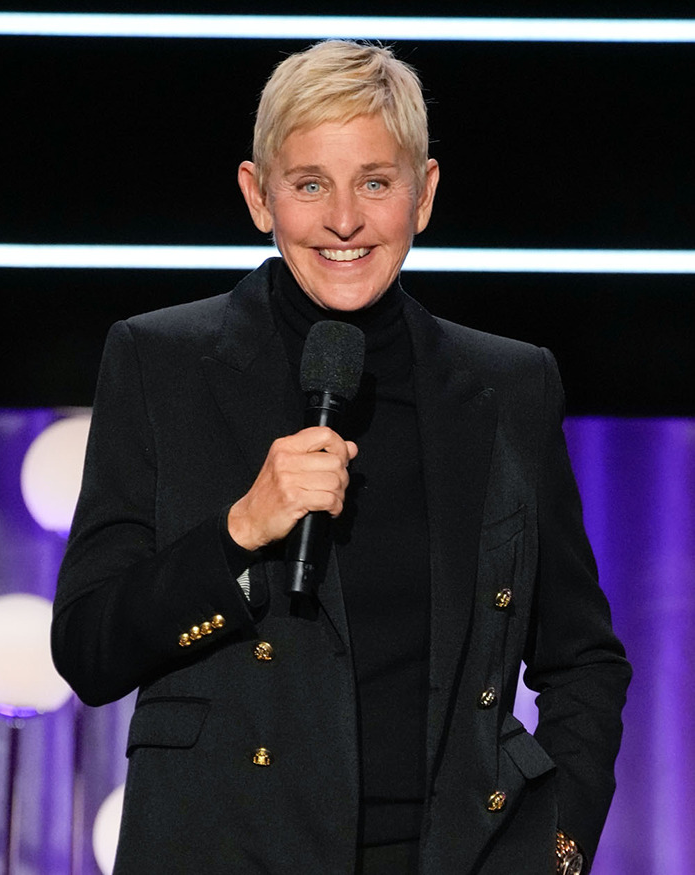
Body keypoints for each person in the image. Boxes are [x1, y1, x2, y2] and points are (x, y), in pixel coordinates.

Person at [52, 40, 631, 874]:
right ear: (260, 196)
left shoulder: (511, 384)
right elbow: (87, 648)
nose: (345, 221)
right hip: (226, 850)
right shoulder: (160, 362)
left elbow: (582, 659)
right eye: (310, 183)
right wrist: (240, 530)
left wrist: (557, 845)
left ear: (423, 195)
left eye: (376, 182)